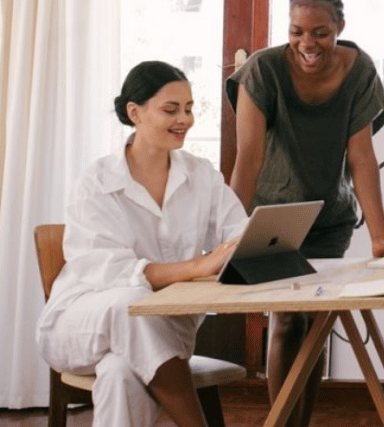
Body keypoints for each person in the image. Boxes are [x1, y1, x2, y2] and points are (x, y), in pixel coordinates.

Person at [225, 0, 384, 427]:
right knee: (287, 320)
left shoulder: (360, 71)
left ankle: (298, 423)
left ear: (340, 26)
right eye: (296, 32)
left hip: (328, 218)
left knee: (315, 322)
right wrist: (227, 231)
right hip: (272, 214)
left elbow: (361, 156)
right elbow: (248, 157)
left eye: (320, 32)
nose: (308, 43)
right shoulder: (262, 71)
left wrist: (380, 238)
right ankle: (282, 422)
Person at [37, 61, 248, 427]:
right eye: (171, 109)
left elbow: (239, 234)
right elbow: (109, 273)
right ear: (134, 112)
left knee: (120, 374)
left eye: (188, 108)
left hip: (165, 332)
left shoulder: (201, 175)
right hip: (80, 325)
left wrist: (244, 247)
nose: (184, 119)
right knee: (130, 304)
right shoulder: (96, 180)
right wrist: (198, 266)